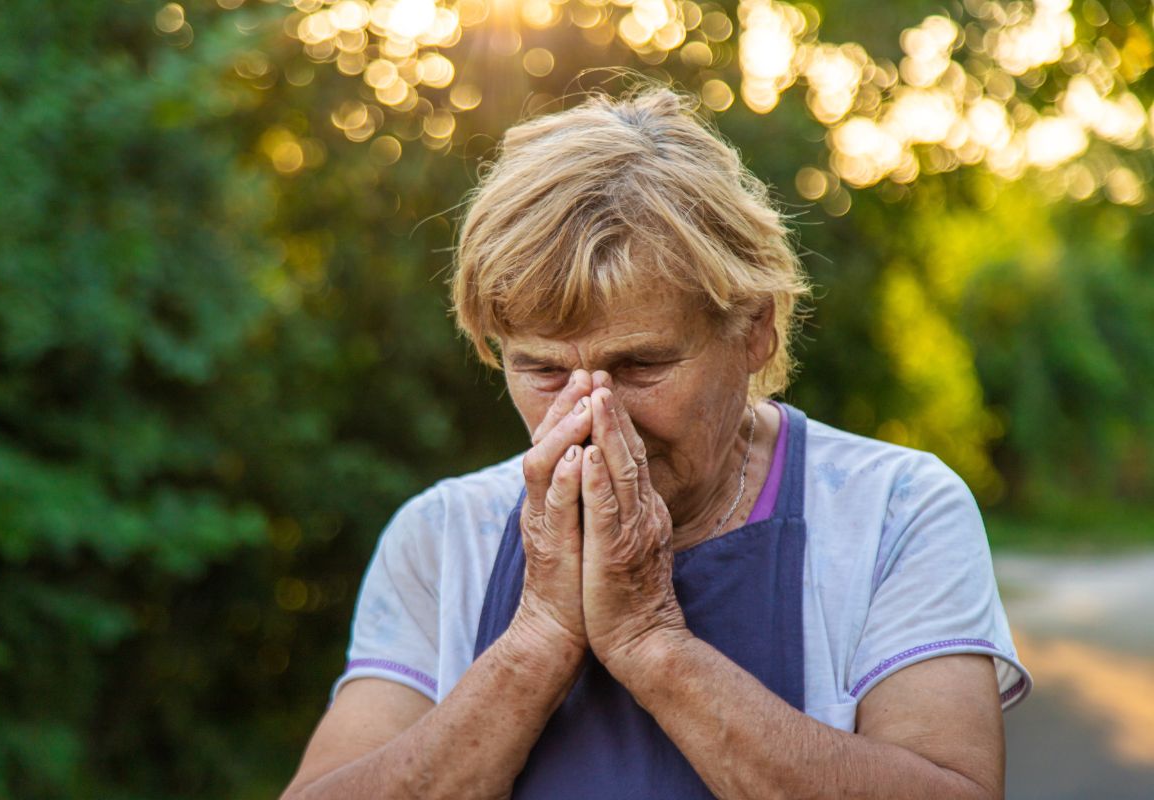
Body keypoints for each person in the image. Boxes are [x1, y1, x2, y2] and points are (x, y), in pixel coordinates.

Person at [281, 87, 1031, 799]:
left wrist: (650, 642)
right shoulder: (443, 536)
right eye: (542, 369)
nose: (590, 413)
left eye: (641, 365)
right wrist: (539, 637)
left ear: (755, 329)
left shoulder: (894, 510)